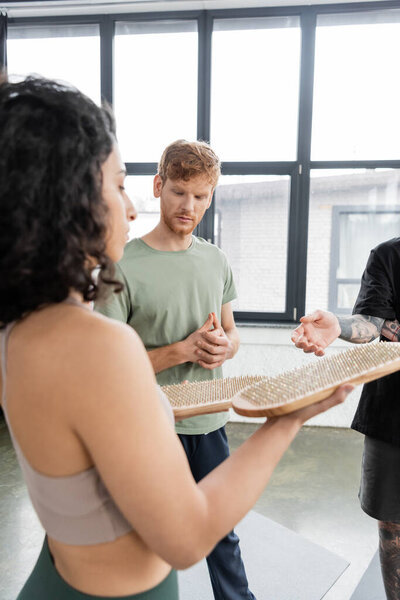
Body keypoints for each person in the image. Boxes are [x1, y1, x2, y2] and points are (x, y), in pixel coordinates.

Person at [0, 75, 351, 600]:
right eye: (118, 185)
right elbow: (186, 538)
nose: (132, 206)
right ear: (69, 197)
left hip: (56, 578)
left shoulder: (20, 326)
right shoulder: (98, 343)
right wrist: (291, 416)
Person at [95, 138, 253, 599]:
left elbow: (232, 332)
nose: (189, 206)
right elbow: (109, 372)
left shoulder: (215, 260)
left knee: (221, 533)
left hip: (209, 422)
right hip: (147, 426)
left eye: (201, 196)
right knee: (145, 539)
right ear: (159, 186)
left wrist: (223, 348)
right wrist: (181, 350)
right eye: (180, 191)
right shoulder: (123, 266)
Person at [291, 237, 400, 600]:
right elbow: (371, 323)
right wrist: (337, 324)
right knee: (392, 522)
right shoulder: (389, 255)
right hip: (391, 414)